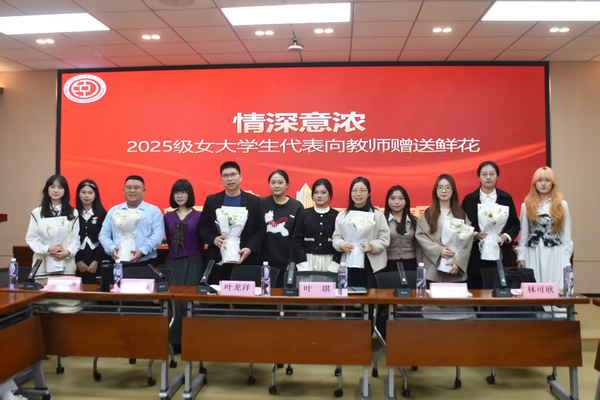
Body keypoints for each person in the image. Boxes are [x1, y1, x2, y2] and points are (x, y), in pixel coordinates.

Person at [198, 161, 266, 283]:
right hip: (218, 260)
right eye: (225, 175)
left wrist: (250, 248)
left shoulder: (254, 201)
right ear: (221, 178)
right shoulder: (212, 200)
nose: (229, 179)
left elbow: (260, 230)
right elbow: (202, 227)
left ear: (240, 176)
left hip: (245, 259)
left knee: (243, 293)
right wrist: (213, 239)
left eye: (233, 174)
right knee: (218, 293)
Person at [461, 161, 520, 289]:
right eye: (484, 174)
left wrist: (505, 236)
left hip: (502, 253)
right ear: (479, 177)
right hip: (476, 255)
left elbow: (515, 224)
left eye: (492, 174)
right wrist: (475, 235)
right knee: (477, 289)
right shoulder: (469, 199)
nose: (488, 177)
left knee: (502, 290)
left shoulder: (506, 198)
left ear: (497, 176)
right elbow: (462, 226)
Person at [164, 179, 204, 353]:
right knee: (174, 302)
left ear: (190, 194)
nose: (179, 195)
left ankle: (192, 340)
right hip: (173, 262)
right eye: (176, 192)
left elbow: (201, 240)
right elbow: (167, 239)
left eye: (183, 192)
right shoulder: (167, 216)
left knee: (191, 300)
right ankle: (175, 342)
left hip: (194, 260)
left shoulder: (199, 216)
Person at [517, 167, 572, 291]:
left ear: (553, 183)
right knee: (533, 287)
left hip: (555, 252)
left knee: (554, 287)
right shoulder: (526, 205)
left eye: (547, 180)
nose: (543, 184)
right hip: (533, 251)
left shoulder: (562, 205)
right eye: (540, 180)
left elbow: (566, 235)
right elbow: (523, 234)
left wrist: (566, 259)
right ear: (534, 183)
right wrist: (521, 257)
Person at [332, 177, 390, 288]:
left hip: (371, 263)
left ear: (368, 193)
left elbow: (385, 238)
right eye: (354, 190)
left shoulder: (377, 214)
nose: (358, 194)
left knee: (371, 294)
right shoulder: (342, 216)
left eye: (362, 190)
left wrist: (372, 246)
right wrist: (341, 245)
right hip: (349, 260)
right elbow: (336, 237)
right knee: (350, 294)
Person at [416, 174, 472, 283]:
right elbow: (421, 237)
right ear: (435, 190)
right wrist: (439, 251)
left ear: (453, 191)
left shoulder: (460, 214)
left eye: (448, 187)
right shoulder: (428, 214)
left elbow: (468, 241)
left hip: (454, 268)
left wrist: (459, 263)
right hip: (432, 269)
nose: (443, 191)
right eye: (440, 187)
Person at [99, 175, 164, 267]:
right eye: (128, 187)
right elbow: (103, 235)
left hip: (145, 263)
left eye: (136, 187)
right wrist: (112, 248)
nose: (132, 191)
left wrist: (142, 251)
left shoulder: (153, 211)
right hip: (119, 263)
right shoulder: (114, 210)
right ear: (124, 190)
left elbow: (158, 235)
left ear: (144, 190)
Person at [25, 174, 80, 279]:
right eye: (52, 187)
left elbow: (75, 238)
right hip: (42, 266)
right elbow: (32, 238)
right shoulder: (37, 213)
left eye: (60, 187)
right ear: (47, 189)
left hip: (66, 266)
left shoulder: (73, 213)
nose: (56, 190)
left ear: (65, 191)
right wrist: (48, 249)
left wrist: (67, 252)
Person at [260, 170, 304, 287]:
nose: (276, 185)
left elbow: (298, 237)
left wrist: (292, 261)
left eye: (280, 182)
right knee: (265, 294)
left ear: (287, 185)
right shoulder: (261, 203)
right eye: (273, 182)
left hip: (287, 263)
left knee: (284, 294)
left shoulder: (296, 206)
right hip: (264, 262)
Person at [292, 178, 341, 272]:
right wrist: (303, 264)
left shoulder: (337, 216)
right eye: (316, 192)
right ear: (312, 195)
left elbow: (340, 240)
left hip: (330, 262)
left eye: (323, 192)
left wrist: (335, 265)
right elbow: (296, 240)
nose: (319, 196)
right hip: (308, 261)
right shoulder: (304, 214)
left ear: (329, 194)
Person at [74, 179, 108, 284]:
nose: (86, 196)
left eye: (90, 193)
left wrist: (96, 261)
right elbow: (70, 239)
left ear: (95, 195)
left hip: (98, 258)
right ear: (78, 194)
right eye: (83, 192)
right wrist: (78, 260)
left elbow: (105, 239)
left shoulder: (103, 214)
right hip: (78, 259)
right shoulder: (73, 214)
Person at [384, 185, 422, 272]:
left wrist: (420, 265)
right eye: (392, 198)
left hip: (410, 263)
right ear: (387, 201)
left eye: (401, 198)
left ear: (406, 201)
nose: (396, 202)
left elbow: (418, 246)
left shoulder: (414, 220)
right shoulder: (382, 220)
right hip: (388, 263)